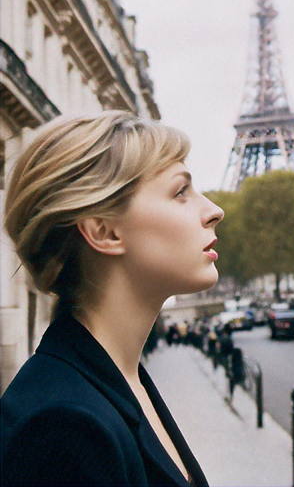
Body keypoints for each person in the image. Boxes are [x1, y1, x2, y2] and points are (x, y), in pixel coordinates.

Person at [1, 111, 224, 486]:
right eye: (180, 191)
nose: (214, 211)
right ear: (104, 231)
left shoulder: (115, 380)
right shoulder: (63, 428)